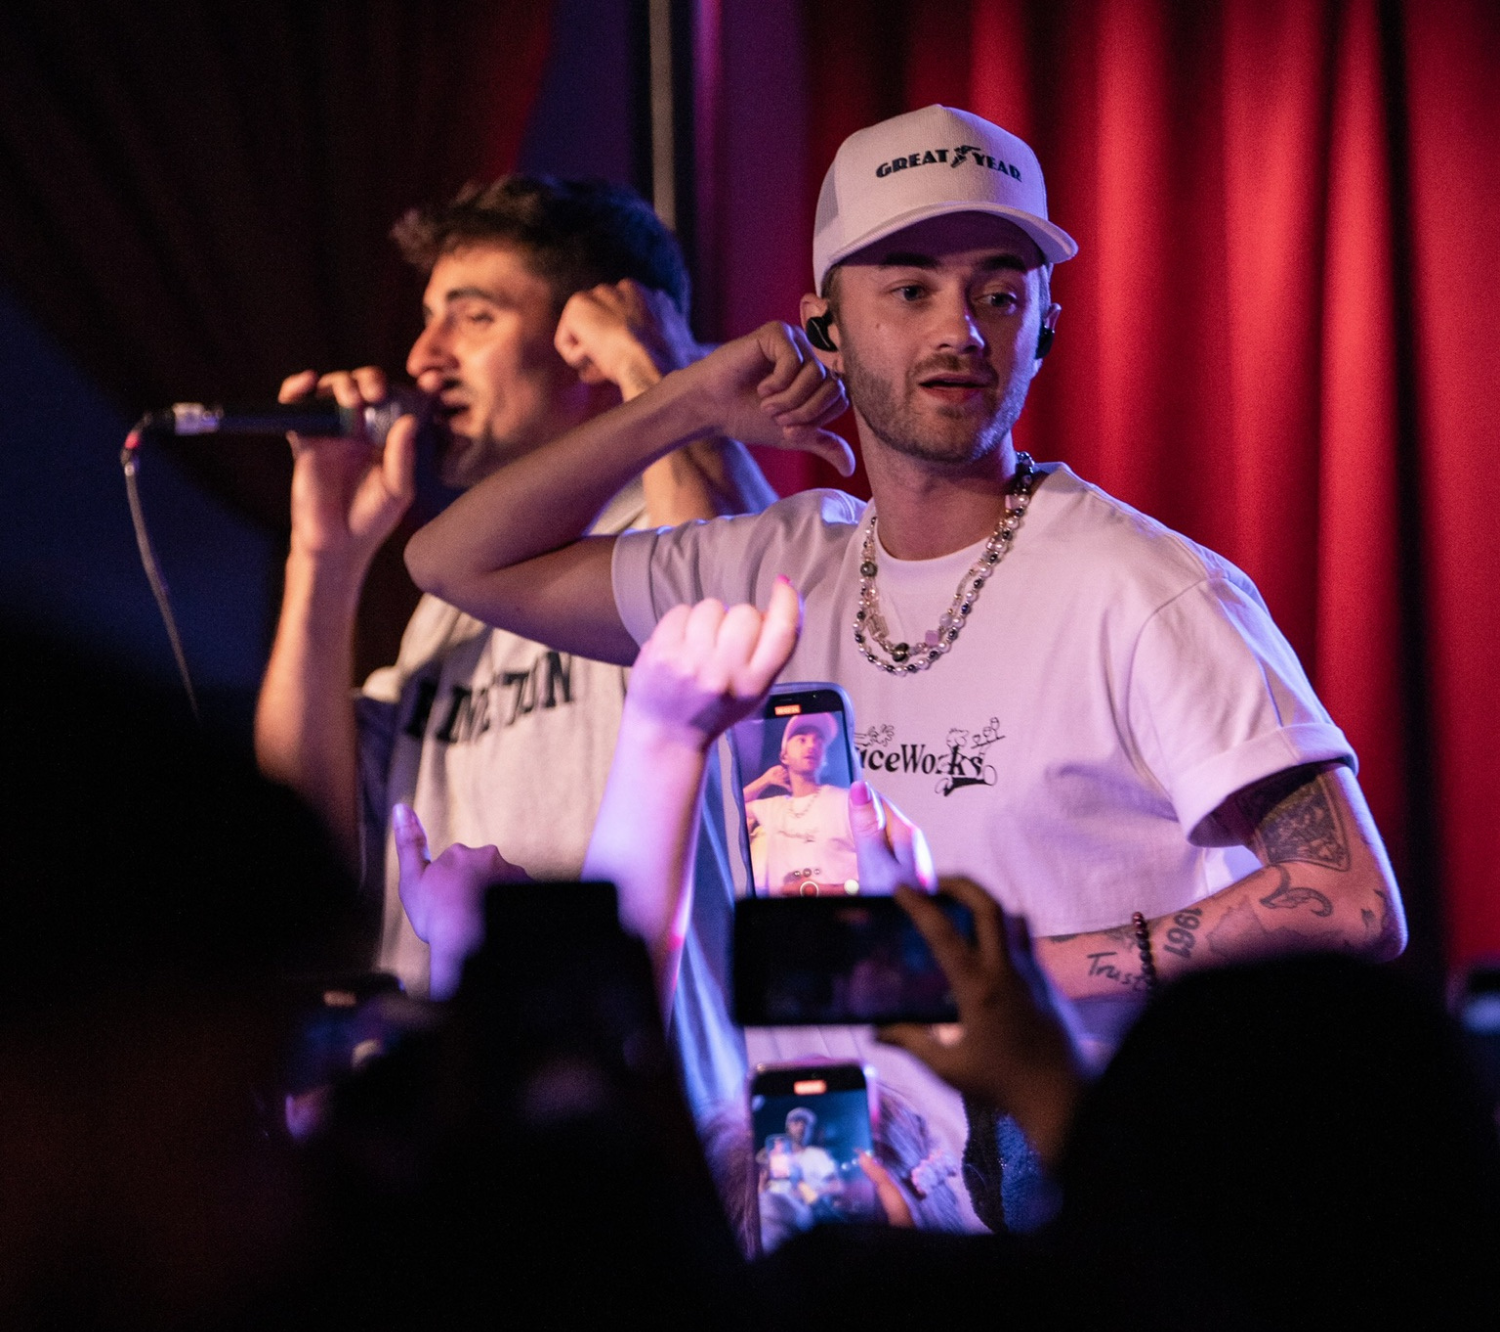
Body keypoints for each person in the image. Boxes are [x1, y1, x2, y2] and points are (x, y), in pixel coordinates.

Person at [401, 105, 1405, 1211]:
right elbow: (454, 562)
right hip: (841, 1216)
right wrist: (686, 395)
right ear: (823, 328)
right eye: (911, 289)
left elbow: (1352, 901)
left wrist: (1011, 974)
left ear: (1045, 326)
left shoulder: (1146, 589)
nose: (960, 331)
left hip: (1081, 1218)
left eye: (999, 294)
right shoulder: (781, 563)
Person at [252, 175, 777, 1054]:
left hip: (635, 1094)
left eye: (475, 316)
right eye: (430, 319)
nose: (424, 357)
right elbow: (300, 829)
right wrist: (325, 559)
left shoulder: (665, 524)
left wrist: (652, 370)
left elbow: (737, 631)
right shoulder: (449, 604)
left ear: (586, 341)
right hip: (451, 1102)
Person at [741, 711, 858, 895]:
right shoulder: (773, 807)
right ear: (784, 756)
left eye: (819, 741)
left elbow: (876, 875)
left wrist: (826, 891)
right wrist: (765, 780)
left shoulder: (847, 802)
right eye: (802, 739)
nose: (812, 745)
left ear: (824, 758)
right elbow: (733, 809)